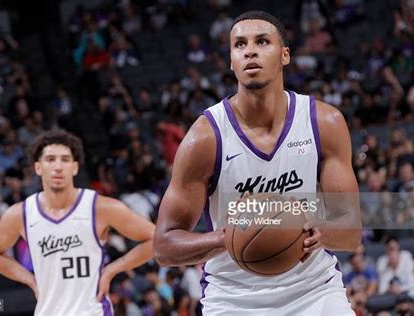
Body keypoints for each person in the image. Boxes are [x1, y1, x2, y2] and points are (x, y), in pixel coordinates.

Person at [153, 10, 361, 315]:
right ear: (231, 62)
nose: (249, 50)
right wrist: (230, 237)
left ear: (285, 55)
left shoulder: (323, 122)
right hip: (233, 299)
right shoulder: (205, 138)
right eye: (239, 45)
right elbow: (163, 246)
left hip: (314, 290)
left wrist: (316, 232)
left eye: (262, 41)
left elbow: (351, 230)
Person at [0, 129, 155, 315]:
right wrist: (30, 279)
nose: (58, 166)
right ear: (38, 168)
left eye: (65, 160)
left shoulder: (100, 207)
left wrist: (114, 268)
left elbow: (156, 239)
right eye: (50, 159)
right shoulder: (20, 214)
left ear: (74, 167)